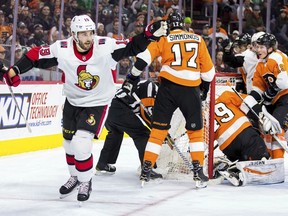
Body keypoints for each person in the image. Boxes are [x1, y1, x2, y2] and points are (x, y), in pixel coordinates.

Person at [1, 14, 168, 202]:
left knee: (81, 143)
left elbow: (131, 45)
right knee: (68, 144)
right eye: (83, 34)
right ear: (73, 34)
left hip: (97, 103)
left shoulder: (105, 46)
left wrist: (149, 34)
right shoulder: (62, 49)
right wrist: (15, 70)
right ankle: (74, 176)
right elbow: (35, 55)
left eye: (91, 33)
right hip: (73, 101)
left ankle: (85, 181)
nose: (88, 38)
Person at [123, 11, 215, 187]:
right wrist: (204, 88)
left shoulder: (163, 39)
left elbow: (142, 60)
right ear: (184, 25)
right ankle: (198, 172)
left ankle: (146, 169)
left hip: (167, 90)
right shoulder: (197, 39)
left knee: (157, 132)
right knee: (195, 133)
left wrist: (131, 79)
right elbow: (209, 74)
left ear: (168, 26)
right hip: (191, 90)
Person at [95, 79, 162, 180]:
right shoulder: (150, 86)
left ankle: (103, 163)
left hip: (107, 107)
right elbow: (147, 113)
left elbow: (144, 113)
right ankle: (147, 169)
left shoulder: (145, 86)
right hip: (118, 106)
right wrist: (159, 130)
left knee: (115, 133)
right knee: (142, 134)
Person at [212, 90, 271, 186]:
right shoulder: (225, 96)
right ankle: (257, 161)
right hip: (244, 134)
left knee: (243, 161)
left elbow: (206, 141)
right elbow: (248, 101)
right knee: (261, 158)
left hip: (227, 147)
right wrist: (261, 115)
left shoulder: (203, 116)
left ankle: (232, 167)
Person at [249, 33, 288, 159]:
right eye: (258, 47)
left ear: (270, 48)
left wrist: (272, 90)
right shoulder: (260, 64)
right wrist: (249, 102)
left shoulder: (277, 57)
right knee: (265, 129)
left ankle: (278, 161)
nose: (258, 50)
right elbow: (257, 89)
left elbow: (284, 81)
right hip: (274, 101)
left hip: (285, 97)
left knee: (276, 126)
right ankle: (269, 160)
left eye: (262, 47)